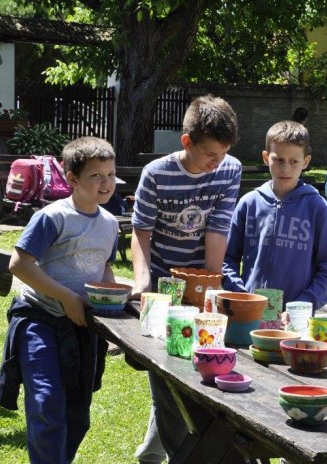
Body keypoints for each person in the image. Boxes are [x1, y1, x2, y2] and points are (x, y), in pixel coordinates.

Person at [130, 94, 240, 464]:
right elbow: (141, 232)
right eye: (210, 153)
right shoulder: (156, 174)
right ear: (187, 142)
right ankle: (178, 453)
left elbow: (218, 227)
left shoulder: (229, 169)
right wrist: (143, 283)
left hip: (201, 278)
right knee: (168, 367)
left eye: (223, 153)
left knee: (198, 368)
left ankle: (154, 451)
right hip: (163, 281)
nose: (217, 162)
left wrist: (210, 290)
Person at [0, 136, 119, 463]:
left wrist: (113, 297)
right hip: (40, 320)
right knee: (47, 404)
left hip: (82, 329)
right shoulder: (53, 217)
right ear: (73, 179)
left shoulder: (110, 225)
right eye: (96, 175)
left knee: (77, 415)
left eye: (110, 174)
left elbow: (104, 268)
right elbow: (19, 264)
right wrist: (66, 297)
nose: (105, 183)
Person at [222, 120, 327, 311]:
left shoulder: (317, 208)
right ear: (265, 157)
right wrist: (237, 292)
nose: (285, 169)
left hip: (296, 318)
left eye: (294, 161)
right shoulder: (248, 204)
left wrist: (305, 303)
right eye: (278, 160)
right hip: (248, 311)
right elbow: (227, 258)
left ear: (306, 162)